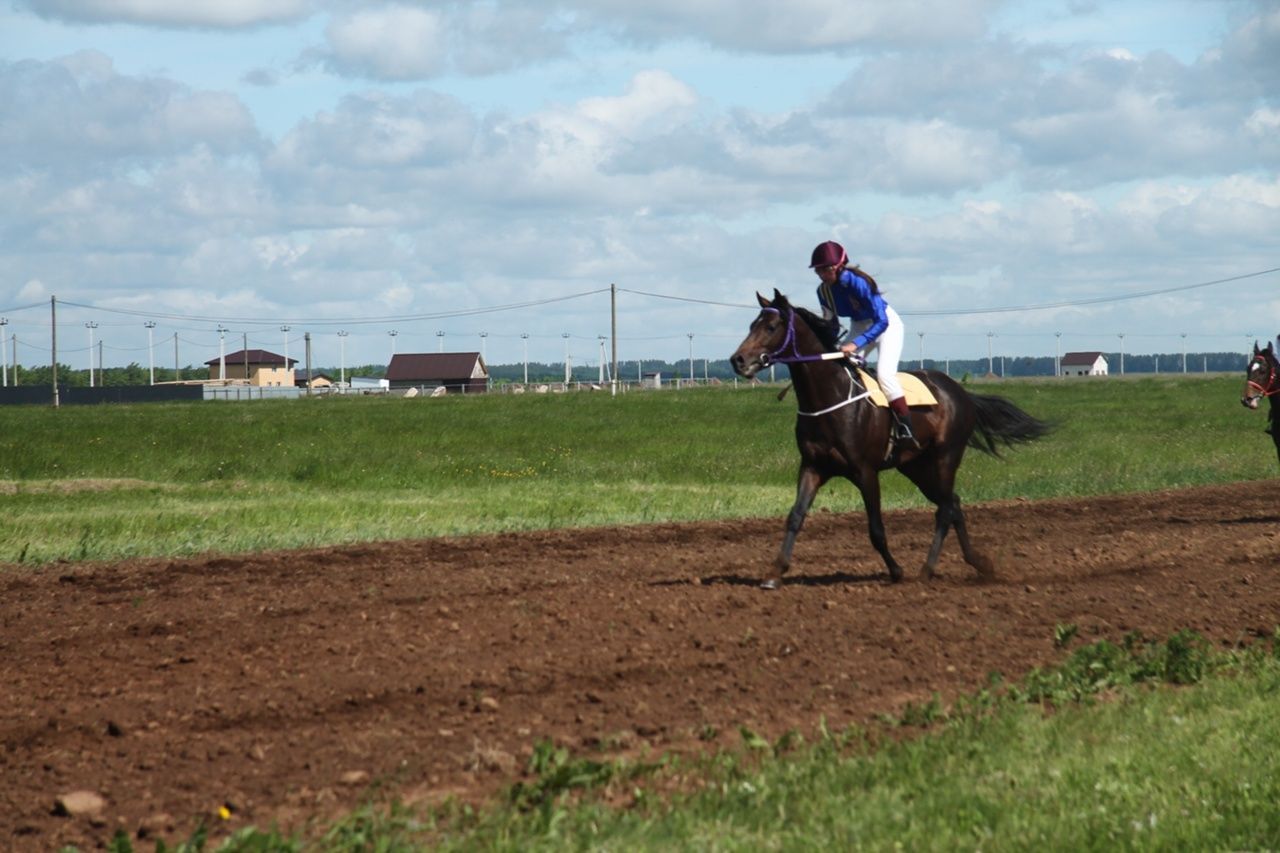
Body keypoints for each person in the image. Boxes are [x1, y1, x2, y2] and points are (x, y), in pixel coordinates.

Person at [810, 240, 917, 446]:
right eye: (818, 271)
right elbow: (831, 325)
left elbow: (881, 321)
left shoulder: (858, 282)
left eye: (826, 269)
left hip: (887, 325)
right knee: (839, 369)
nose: (822, 275)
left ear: (839, 266)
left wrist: (855, 344)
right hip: (858, 325)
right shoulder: (823, 292)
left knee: (885, 374)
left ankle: (906, 428)